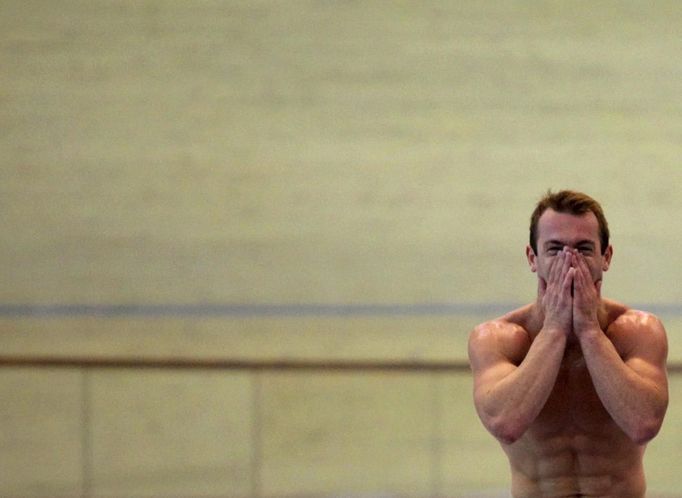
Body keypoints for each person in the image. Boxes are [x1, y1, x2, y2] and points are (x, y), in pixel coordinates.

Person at [468, 190, 668, 497]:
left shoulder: (637, 332)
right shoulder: (498, 339)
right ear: (532, 258)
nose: (570, 261)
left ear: (607, 257)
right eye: (555, 249)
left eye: (584, 249)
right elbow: (505, 423)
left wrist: (589, 330)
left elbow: (643, 423)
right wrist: (553, 331)